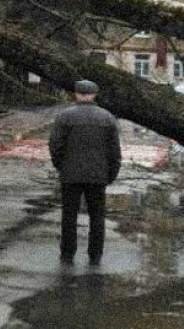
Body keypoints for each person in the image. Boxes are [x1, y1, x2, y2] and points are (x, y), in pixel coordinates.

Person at [48, 79, 122, 267]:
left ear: (76, 94)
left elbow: (55, 146)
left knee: (69, 216)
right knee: (97, 217)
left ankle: (67, 253)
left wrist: (61, 166)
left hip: (70, 175)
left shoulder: (64, 116)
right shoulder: (107, 118)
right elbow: (115, 151)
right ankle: (95, 255)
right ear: (94, 95)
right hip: (98, 176)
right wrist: (111, 174)